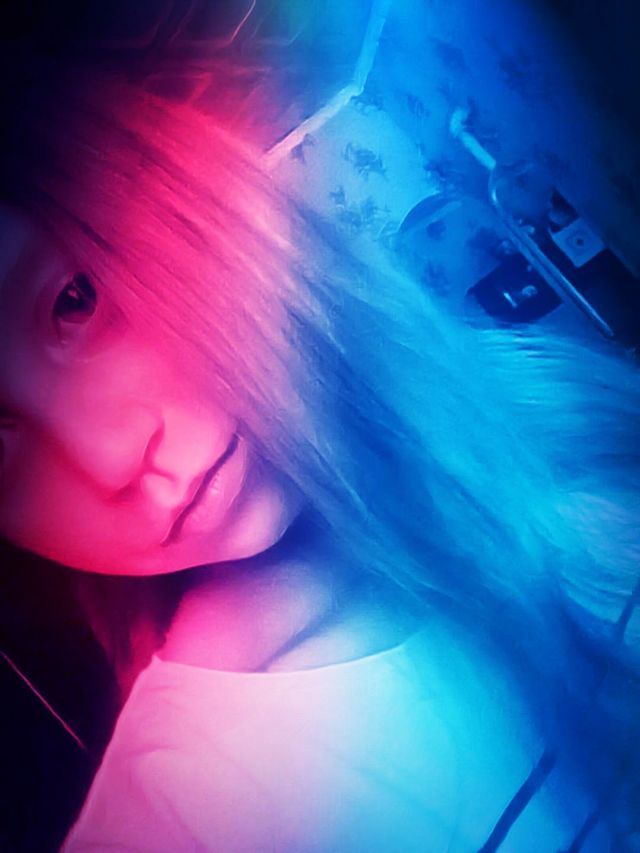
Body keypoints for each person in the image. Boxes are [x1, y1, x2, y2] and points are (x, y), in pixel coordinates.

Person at [1, 68, 639, 852]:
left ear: (185, 203)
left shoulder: (553, 400)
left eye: (75, 300)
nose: (110, 459)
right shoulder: (186, 813)